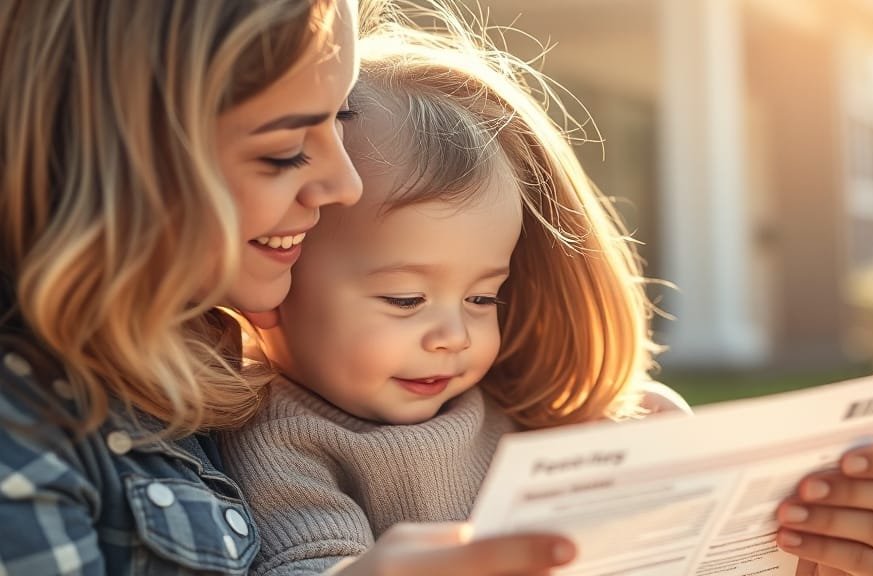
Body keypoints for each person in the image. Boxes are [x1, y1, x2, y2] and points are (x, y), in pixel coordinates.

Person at [221, 14, 873, 576]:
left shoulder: (539, 417)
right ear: (280, 280)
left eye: (482, 297)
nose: (453, 336)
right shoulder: (286, 439)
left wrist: (803, 551)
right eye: (406, 300)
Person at [0, 1, 580, 574]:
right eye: (284, 151)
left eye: (340, 118)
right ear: (118, 152)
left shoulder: (191, 382)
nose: (346, 184)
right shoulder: (31, 429)